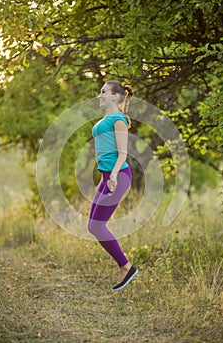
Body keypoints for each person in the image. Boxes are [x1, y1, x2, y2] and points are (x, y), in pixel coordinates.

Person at [88, 80, 138, 291]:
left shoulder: (118, 120)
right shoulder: (107, 119)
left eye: (103, 92)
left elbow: (123, 153)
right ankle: (125, 266)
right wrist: (105, 176)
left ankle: (126, 267)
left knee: (97, 225)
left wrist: (114, 175)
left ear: (115, 96)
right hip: (107, 176)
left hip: (118, 176)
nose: (99, 95)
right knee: (93, 225)